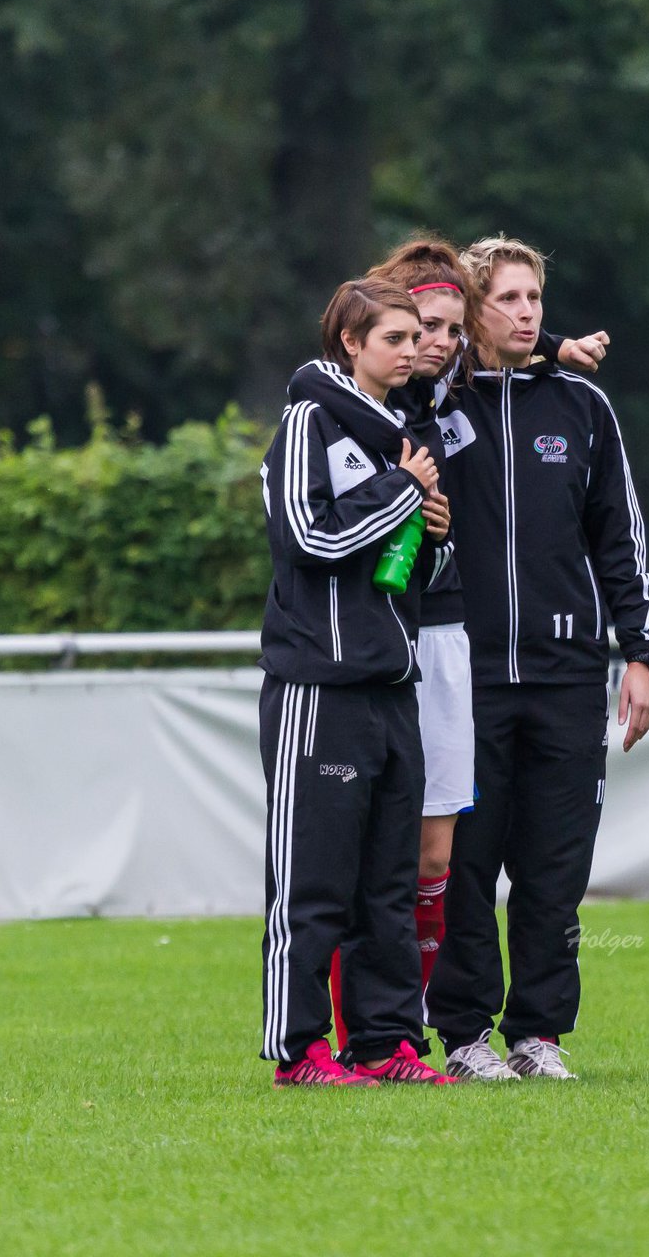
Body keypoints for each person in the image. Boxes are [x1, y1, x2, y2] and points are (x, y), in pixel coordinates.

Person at [289, 238, 610, 1065]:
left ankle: (432, 1032)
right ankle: (385, 1034)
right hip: (391, 647)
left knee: (434, 853)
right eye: (416, 327)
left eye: (443, 326)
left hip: (456, 646)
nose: (431, 341)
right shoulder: (387, 400)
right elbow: (320, 384)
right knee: (396, 859)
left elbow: (505, 343)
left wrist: (549, 350)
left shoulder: (537, 395)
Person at [425, 235, 649, 1080]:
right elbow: (390, 317)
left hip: (567, 674)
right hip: (467, 673)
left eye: (536, 300)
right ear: (471, 310)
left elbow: (620, 540)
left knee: (555, 865)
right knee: (465, 865)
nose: (528, 314)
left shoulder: (584, 409)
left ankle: (538, 1035)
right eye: (509, 300)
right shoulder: (431, 401)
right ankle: (462, 1037)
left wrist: (639, 653)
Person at [258, 275, 455, 1086]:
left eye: (418, 339)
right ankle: (300, 1050)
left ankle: (383, 1042)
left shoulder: (400, 430)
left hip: (391, 688)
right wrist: (404, 490)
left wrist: (433, 537)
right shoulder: (307, 421)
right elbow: (308, 536)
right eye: (396, 340)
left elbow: (392, 572)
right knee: (313, 883)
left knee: (388, 886)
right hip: (320, 689)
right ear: (351, 344)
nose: (413, 353)